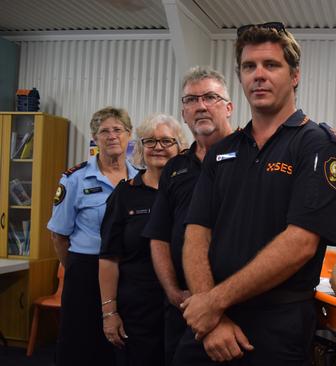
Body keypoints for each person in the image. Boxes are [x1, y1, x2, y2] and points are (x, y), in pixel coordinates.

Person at [175, 22, 336, 365]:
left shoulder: (315, 144)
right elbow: (196, 234)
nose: (259, 75)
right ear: (240, 76)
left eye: (271, 65)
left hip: (276, 324)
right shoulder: (223, 150)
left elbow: (300, 243)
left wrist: (212, 303)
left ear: (294, 75)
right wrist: (213, 317)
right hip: (211, 322)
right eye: (249, 67)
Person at [141, 66, 234, 365]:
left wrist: (217, 302)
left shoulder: (250, 157)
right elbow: (159, 235)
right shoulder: (175, 168)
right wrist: (172, 292)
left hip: (233, 307)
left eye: (210, 97)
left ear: (229, 107)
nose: (201, 105)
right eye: (192, 100)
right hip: (182, 308)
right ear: (184, 113)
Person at [47, 106, 139, 366]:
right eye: (104, 131)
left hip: (127, 272)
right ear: (95, 138)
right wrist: (76, 270)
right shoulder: (75, 179)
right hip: (85, 271)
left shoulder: (140, 179)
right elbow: (59, 236)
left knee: (122, 343)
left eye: (118, 130)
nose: (112, 136)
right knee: (80, 344)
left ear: (128, 135)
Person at [98, 114, 187, 365]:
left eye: (167, 141)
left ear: (181, 148)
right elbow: (108, 257)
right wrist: (109, 312)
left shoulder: (193, 192)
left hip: (183, 309)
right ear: (140, 148)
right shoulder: (124, 194)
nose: (158, 147)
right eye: (150, 141)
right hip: (136, 312)